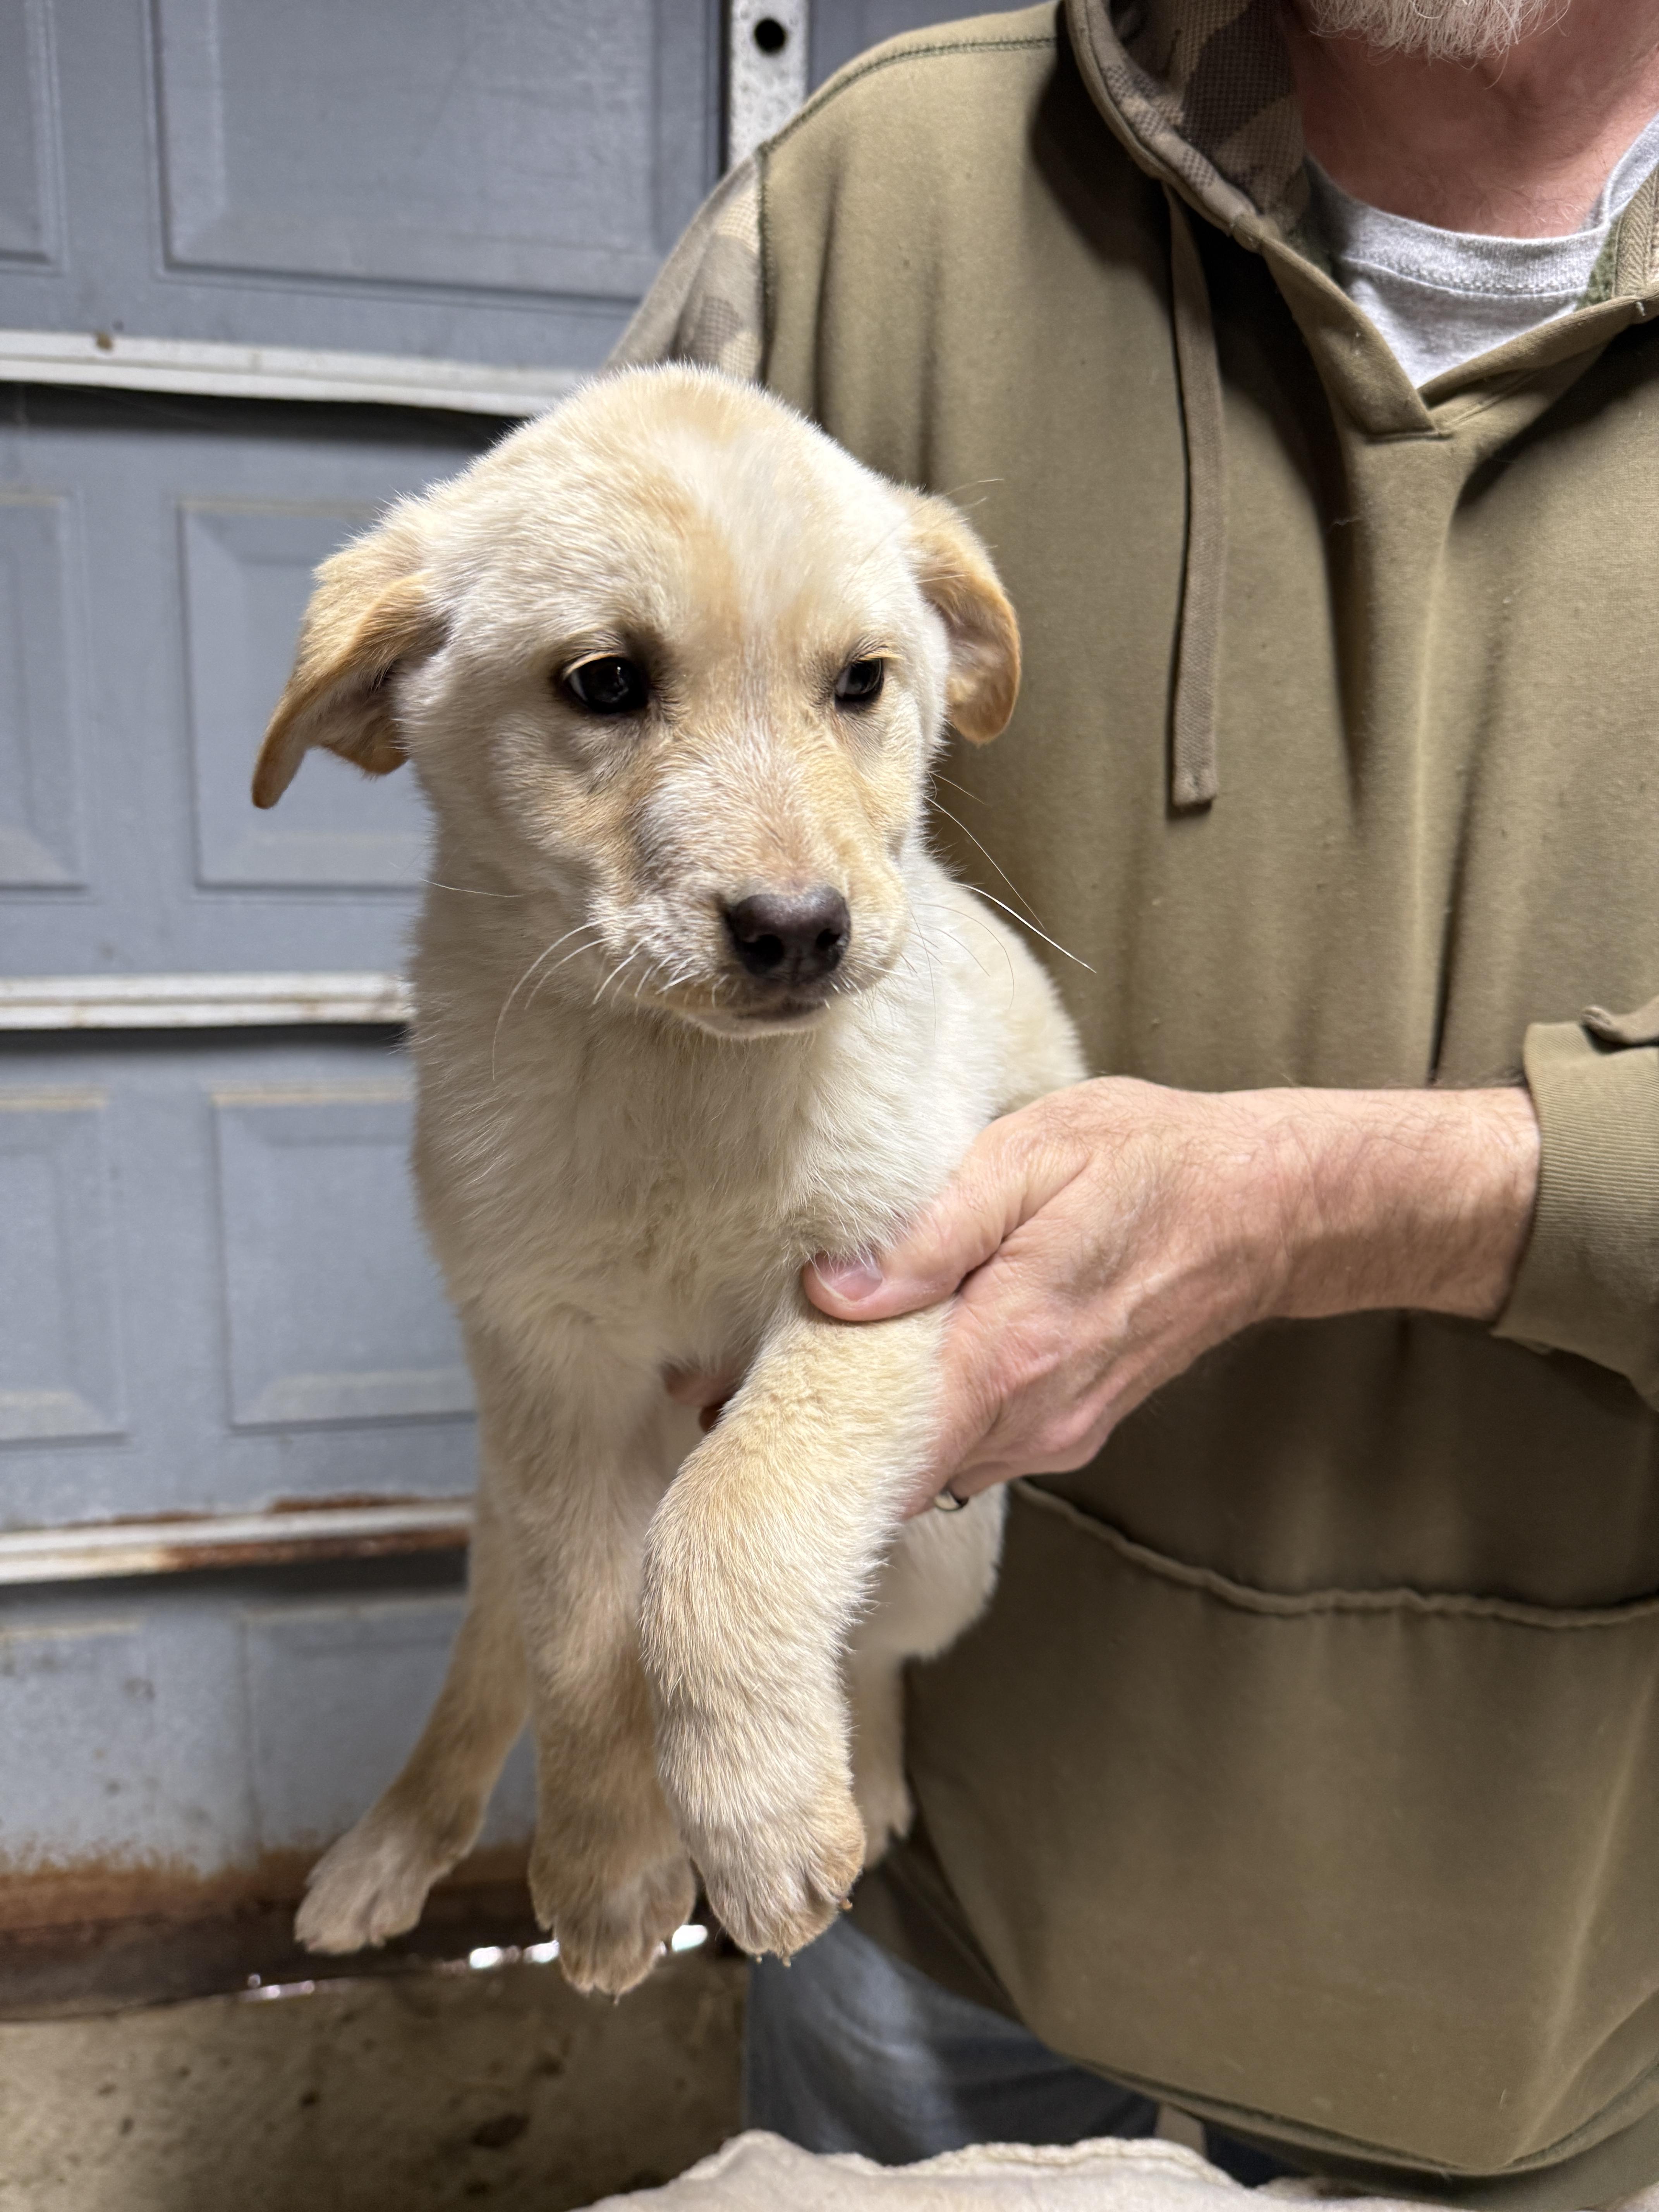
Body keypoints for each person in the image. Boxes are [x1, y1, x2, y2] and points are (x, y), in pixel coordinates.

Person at [616, 1, 1659, 2200]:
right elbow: (555, 882)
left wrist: (1321, 1200)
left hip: (1581, 1987)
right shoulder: (864, 212)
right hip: (935, 1916)